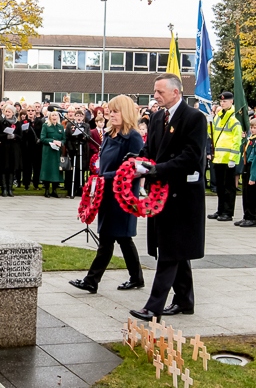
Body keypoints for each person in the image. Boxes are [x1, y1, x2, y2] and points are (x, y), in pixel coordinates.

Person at [130, 73, 207, 322]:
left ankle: (154, 307)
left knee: (170, 251)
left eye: (160, 92)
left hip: (181, 195)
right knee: (175, 249)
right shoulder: (156, 118)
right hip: (160, 194)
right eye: (155, 91)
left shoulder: (194, 118)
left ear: (176, 92)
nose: (155, 96)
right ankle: (184, 300)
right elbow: (149, 149)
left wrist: (157, 170)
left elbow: (190, 156)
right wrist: (138, 160)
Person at [69, 95, 145, 294]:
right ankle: (136, 277)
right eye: (110, 111)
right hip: (106, 191)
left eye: (116, 111)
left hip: (122, 194)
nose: (112, 115)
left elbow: (134, 169)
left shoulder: (133, 137)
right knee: (117, 238)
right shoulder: (110, 135)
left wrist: (106, 177)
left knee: (114, 237)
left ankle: (92, 280)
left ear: (126, 112)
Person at [208, 92, 243, 222]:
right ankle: (220, 209)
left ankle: (228, 212)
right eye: (221, 102)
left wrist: (233, 158)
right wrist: (208, 123)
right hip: (218, 157)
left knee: (229, 187)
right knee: (220, 187)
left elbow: (237, 139)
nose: (222, 104)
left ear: (231, 102)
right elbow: (212, 133)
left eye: (225, 101)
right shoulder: (218, 116)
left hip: (228, 158)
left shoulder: (234, 118)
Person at [0, 104, 22, 197]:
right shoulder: (0, 122)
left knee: (11, 168)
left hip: (14, 148)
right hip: (3, 147)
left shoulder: (17, 124)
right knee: (3, 168)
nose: (7, 113)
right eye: (6, 111)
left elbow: (21, 136)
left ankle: (10, 188)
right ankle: (4, 188)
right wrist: (5, 136)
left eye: (9, 112)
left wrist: (15, 136)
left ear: (13, 113)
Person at [65, 110, 91, 196]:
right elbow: (67, 138)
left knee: (81, 169)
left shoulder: (86, 125)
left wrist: (83, 139)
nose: (79, 117)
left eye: (81, 116)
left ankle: (81, 188)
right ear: (75, 117)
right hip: (73, 149)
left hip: (82, 150)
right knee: (73, 170)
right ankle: (72, 188)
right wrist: (71, 148)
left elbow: (88, 136)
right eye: (77, 115)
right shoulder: (70, 125)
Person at [236, 118, 256, 227]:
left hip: (252, 168)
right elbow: (242, 150)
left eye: (255, 128)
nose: (253, 130)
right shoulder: (250, 139)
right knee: (246, 194)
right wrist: (243, 140)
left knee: (252, 195)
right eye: (252, 128)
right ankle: (246, 215)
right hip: (246, 166)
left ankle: (252, 216)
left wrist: (253, 177)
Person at [39, 111, 65, 197]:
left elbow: (64, 139)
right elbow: (42, 138)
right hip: (48, 151)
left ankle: (54, 190)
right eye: (53, 115)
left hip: (57, 152)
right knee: (48, 169)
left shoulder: (60, 127)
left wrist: (60, 142)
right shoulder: (46, 126)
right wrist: (52, 141)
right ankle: (46, 190)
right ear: (50, 117)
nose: (54, 117)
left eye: (56, 115)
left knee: (56, 170)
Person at [22, 106, 44, 190]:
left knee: (37, 167)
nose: (30, 112)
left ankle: (36, 184)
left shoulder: (40, 122)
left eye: (32, 110)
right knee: (27, 167)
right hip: (27, 147)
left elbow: (42, 133)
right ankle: (26, 184)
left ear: (35, 112)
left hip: (37, 147)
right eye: (29, 110)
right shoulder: (23, 122)